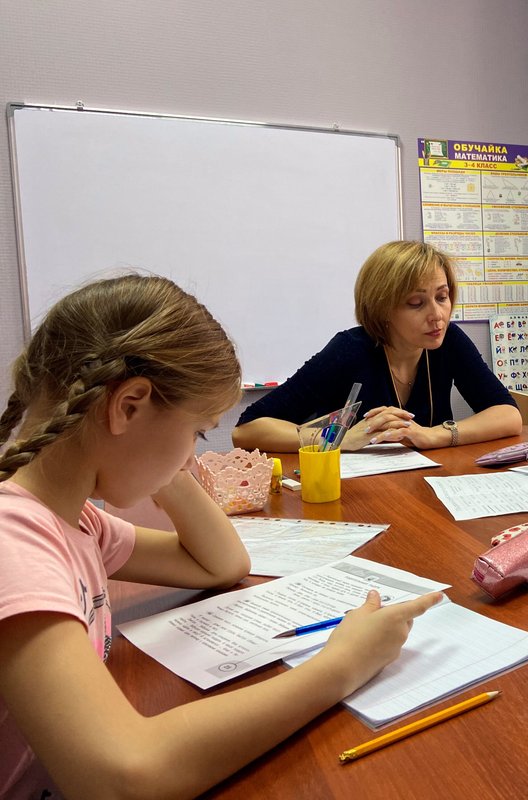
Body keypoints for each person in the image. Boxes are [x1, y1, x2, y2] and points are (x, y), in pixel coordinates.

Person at [0, 275, 441, 799]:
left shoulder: (78, 524)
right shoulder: (15, 543)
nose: (193, 456)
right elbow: (124, 777)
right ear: (128, 406)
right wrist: (343, 664)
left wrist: (163, 465)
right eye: (197, 431)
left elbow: (221, 565)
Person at [232, 240, 522, 452]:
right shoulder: (349, 349)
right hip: (358, 497)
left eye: (442, 297)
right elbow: (247, 430)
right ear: (383, 309)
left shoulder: (450, 341)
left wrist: (435, 435)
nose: (437, 315)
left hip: (428, 488)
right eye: (416, 303)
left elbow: (508, 416)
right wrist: (338, 438)